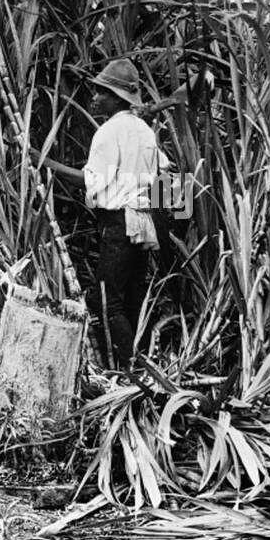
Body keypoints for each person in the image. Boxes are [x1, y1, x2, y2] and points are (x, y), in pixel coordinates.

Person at [78, 59, 170, 368]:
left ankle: (135, 369)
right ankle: (143, 365)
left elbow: (94, 183)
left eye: (100, 92)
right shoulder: (145, 131)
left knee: (108, 303)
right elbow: (164, 171)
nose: (94, 98)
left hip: (118, 223)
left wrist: (46, 164)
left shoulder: (108, 132)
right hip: (142, 222)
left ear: (117, 98)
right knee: (133, 298)